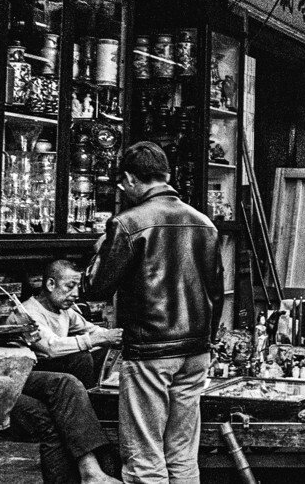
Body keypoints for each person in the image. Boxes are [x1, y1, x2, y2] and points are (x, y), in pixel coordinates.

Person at [84, 142, 222, 484]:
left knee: (145, 457)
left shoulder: (129, 223)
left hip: (150, 352)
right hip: (195, 352)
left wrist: (100, 248)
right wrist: (208, 340)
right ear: (167, 176)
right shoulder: (204, 223)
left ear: (131, 179)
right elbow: (216, 292)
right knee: (183, 455)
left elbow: (96, 288)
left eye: (123, 184)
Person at [0, 223, 120, 484]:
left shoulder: (65, 312)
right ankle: (91, 471)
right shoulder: (31, 308)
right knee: (49, 417)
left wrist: (10, 337)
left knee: (64, 391)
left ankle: (91, 471)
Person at [7, 260, 122, 388]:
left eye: (77, 288)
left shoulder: (63, 311)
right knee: (81, 358)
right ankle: (92, 400)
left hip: (53, 367)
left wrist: (119, 336)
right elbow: (52, 347)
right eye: (69, 286)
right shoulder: (27, 313)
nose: (76, 295)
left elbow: (91, 329)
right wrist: (101, 338)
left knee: (105, 350)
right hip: (29, 373)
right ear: (51, 284)